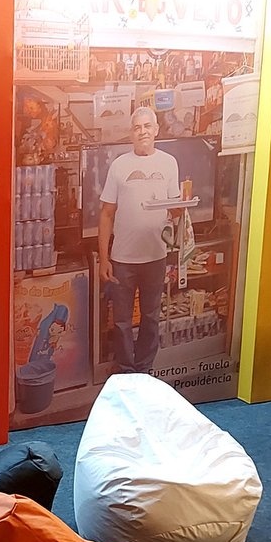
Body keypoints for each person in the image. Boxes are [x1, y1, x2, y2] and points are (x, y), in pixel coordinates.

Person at [98, 106, 181, 374]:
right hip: (122, 260)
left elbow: (175, 209)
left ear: (156, 130)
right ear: (131, 134)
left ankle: (144, 370)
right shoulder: (119, 165)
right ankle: (126, 371)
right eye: (137, 127)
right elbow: (106, 213)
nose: (142, 131)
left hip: (156, 256)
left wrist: (183, 206)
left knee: (151, 318)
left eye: (147, 126)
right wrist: (104, 259)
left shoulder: (169, 163)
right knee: (121, 321)